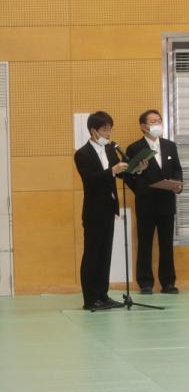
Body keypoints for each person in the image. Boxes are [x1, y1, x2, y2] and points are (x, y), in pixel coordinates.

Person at [74, 111, 141, 310]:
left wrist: (136, 169)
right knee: (92, 255)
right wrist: (112, 170)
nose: (108, 133)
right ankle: (90, 299)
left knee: (105, 255)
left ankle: (102, 295)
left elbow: (121, 174)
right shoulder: (82, 154)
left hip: (109, 209)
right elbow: (90, 180)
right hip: (93, 211)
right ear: (93, 130)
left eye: (110, 129)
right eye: (105, 129)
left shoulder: (111, 150)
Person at [125, 110, 183, 295]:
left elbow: (177, 170)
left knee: (166, 244)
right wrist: (140, 180)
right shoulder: (134, 148)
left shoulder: (169, 146)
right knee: (145, 244)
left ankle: (168, 282)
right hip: (146, 203)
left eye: (159, 120)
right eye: (153, 121)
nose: (157, 124)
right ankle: (145, 283)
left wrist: (177, 185)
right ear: (143, 126)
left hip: (167, 202)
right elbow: (128, 176)